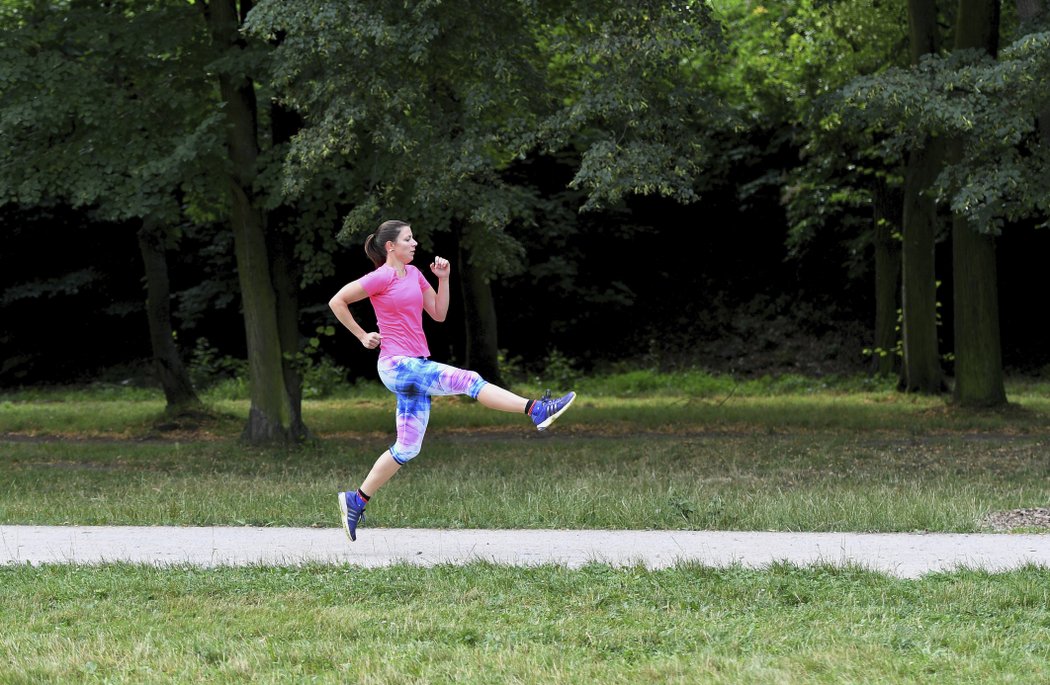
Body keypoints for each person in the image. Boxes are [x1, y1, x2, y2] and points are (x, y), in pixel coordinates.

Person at [328, 219, 576, 542]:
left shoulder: (415, 275)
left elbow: (439, 313)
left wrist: (443, 279)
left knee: (407, 447)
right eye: (408, 238)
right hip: (396, 365)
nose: (415, 243)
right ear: (391, 246)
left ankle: (355, 500)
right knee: (469, 379)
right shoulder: (381, 277)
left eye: (413, 237)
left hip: (415, 365)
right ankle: (536, 410)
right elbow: (338, 301)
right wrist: (362, 336)